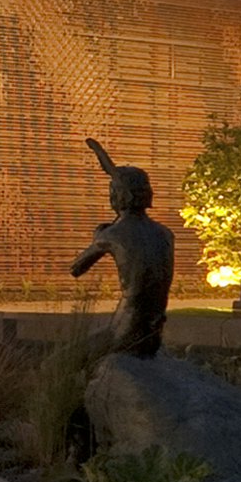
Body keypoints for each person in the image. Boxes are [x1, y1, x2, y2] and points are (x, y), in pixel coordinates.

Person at [68, 139, 173, 356]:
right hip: (154, 335)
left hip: (125, 332)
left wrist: (99, 238)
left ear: (118, 196)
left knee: (58, 361)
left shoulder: (112, 234)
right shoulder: (165, 234)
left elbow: (76, 269)